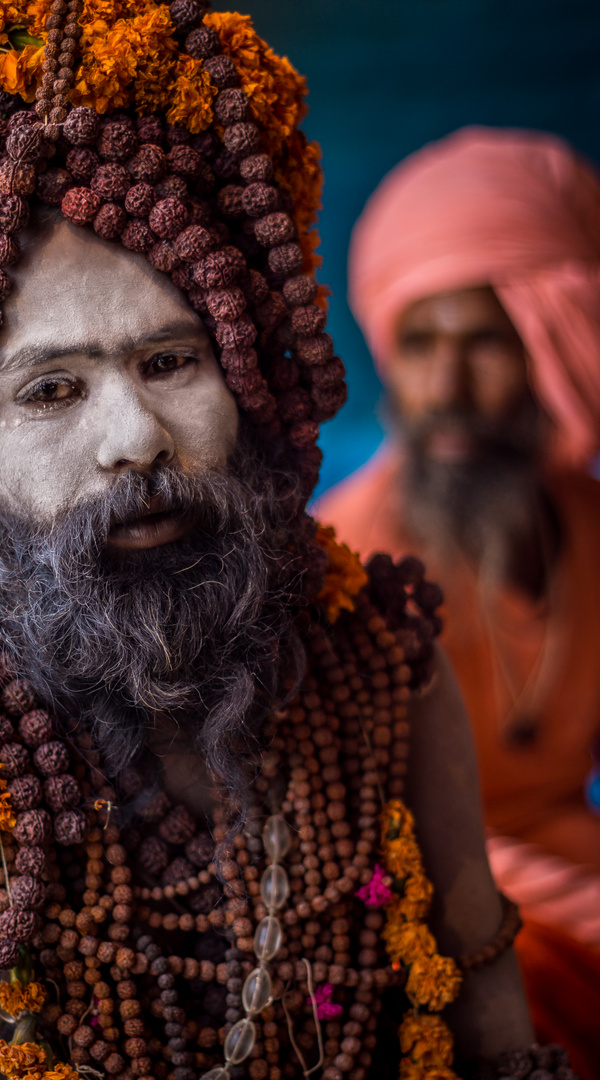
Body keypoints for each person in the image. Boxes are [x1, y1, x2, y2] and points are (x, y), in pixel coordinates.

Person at [0, 11, 561, 1078]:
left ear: (247, 383)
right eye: (52, 390)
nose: (135, 439)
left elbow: (492, 1020)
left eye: (171, 362)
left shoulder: (383, 675)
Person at [317, 127, 600, 1078]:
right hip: (446, 909)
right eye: (420, 342)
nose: (446, 389)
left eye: (484, 341)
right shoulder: (345, 558)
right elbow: (373, 833)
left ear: (551, 338)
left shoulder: (588, 525)